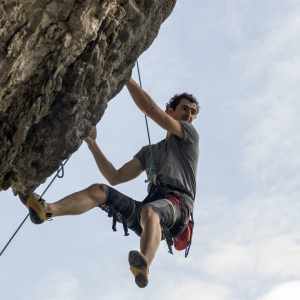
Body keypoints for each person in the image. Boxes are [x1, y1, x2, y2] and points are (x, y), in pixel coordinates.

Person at [19, 77, 200, 288]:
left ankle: (144, 266)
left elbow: (150, 109)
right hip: (150, 212)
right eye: (185, 109)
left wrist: (126, 78)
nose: (189, 115)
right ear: (170, 111)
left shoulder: (189, 135)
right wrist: (93, 145)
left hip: (177, 205)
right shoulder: (150, 152)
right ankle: (46, 210)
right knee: (100, 191)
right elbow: (115, 177)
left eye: (193, 112)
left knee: (150, 212)